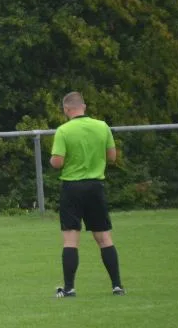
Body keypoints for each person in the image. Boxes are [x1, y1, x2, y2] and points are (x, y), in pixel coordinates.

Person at [50, 92, 125, 298]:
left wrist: (54, 160)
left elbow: (57, 162)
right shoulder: (102, 126)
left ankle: (69, 288)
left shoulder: (64, 130)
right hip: (95, 186)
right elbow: (112, 157)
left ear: (66, 109)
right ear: (84, 106)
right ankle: (117, 285)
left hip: (72, 187)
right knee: (104, 237)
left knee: (71, 239)